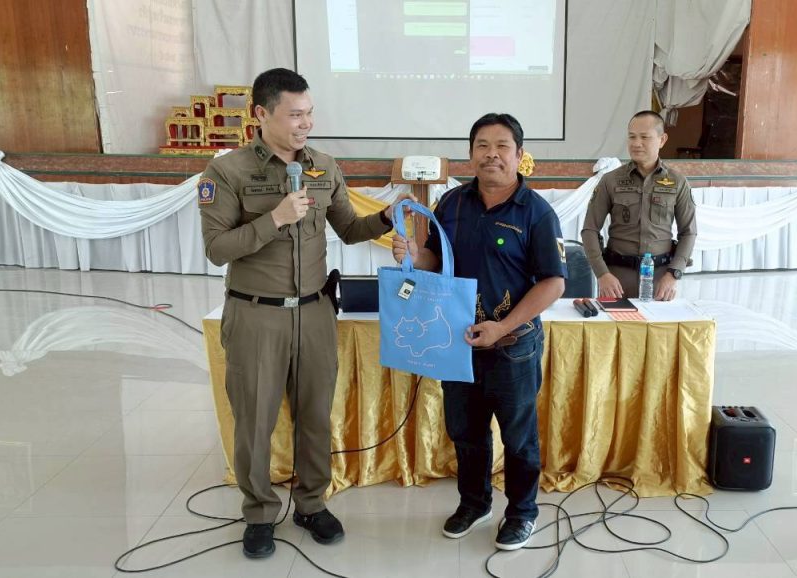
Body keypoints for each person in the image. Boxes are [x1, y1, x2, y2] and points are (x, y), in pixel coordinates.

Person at [199, 68, 411, 559]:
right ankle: (259, 513)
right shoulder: (227, 172)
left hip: (315, 312)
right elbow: (216, 249)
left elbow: (349, 229)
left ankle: (312, 504)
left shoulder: (324, 167)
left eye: (309, 113)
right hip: (256, 316)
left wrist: (385, 217)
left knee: (315, 415)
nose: (306, 124)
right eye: (295, 115)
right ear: (261, 114)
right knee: (254, 421)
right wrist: (274, 219)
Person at [391, 113, 567, 550]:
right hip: (458, 342)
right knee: (466, 433)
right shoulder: (451, 204)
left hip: (513, 346)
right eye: (482, 146)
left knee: (519, 438)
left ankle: (522, 512)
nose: (491, 154)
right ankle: (475, 503)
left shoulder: (537, 213)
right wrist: (412, 254)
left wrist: (503, 325)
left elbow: (553, 282)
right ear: (470, 155)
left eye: (502, 146)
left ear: (519, 155)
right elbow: (434, 259)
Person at [580, 110, 697, 301]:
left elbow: (689, 232)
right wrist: (602, 274)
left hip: (660, 280)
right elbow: (589, 230)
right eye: (632, 137)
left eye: (644, 137)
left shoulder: (677, 182)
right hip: (617, 280)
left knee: (657, 321)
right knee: (615, 321)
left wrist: (673, 274)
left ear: (662, 140)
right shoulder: (610, 180)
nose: (636, 143)